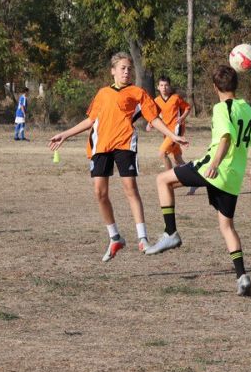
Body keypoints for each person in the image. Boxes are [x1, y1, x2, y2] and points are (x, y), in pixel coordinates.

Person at [48, 53, 186, 262]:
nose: (126, 72)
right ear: (113, 70)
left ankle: (143, 239)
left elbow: (154, 119)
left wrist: (173, 135)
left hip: (125, 144)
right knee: (99, 193)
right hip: (101, 146)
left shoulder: (138, 92)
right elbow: (90, 120)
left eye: (129, 68)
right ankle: (115, 238)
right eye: (122, 68)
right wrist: (65, 134)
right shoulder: (103, 93)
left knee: (130, 188)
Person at [147, 65, 251, 296]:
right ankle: (242, 277)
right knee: (227, 227)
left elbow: (226, 138)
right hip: (233, 177)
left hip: (215, 168)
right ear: (236, 85)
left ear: (214, 87)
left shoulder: (221, 108)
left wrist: (214, 163)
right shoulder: (248, 110)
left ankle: (170, 233)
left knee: (163, 180)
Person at [150, 76, 192, 171]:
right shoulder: (156, 101)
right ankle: (195, 178)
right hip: (167, 132)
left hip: (176, 130)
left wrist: (182, 118)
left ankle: (168, 179)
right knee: (177, 159)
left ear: (169, 87)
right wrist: (150, 124)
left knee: (162, 153)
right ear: (158, 87)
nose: (164, 87)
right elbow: (154, 115)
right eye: (161, 85)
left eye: (166, 85)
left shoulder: (175, 98)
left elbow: (187, 107)